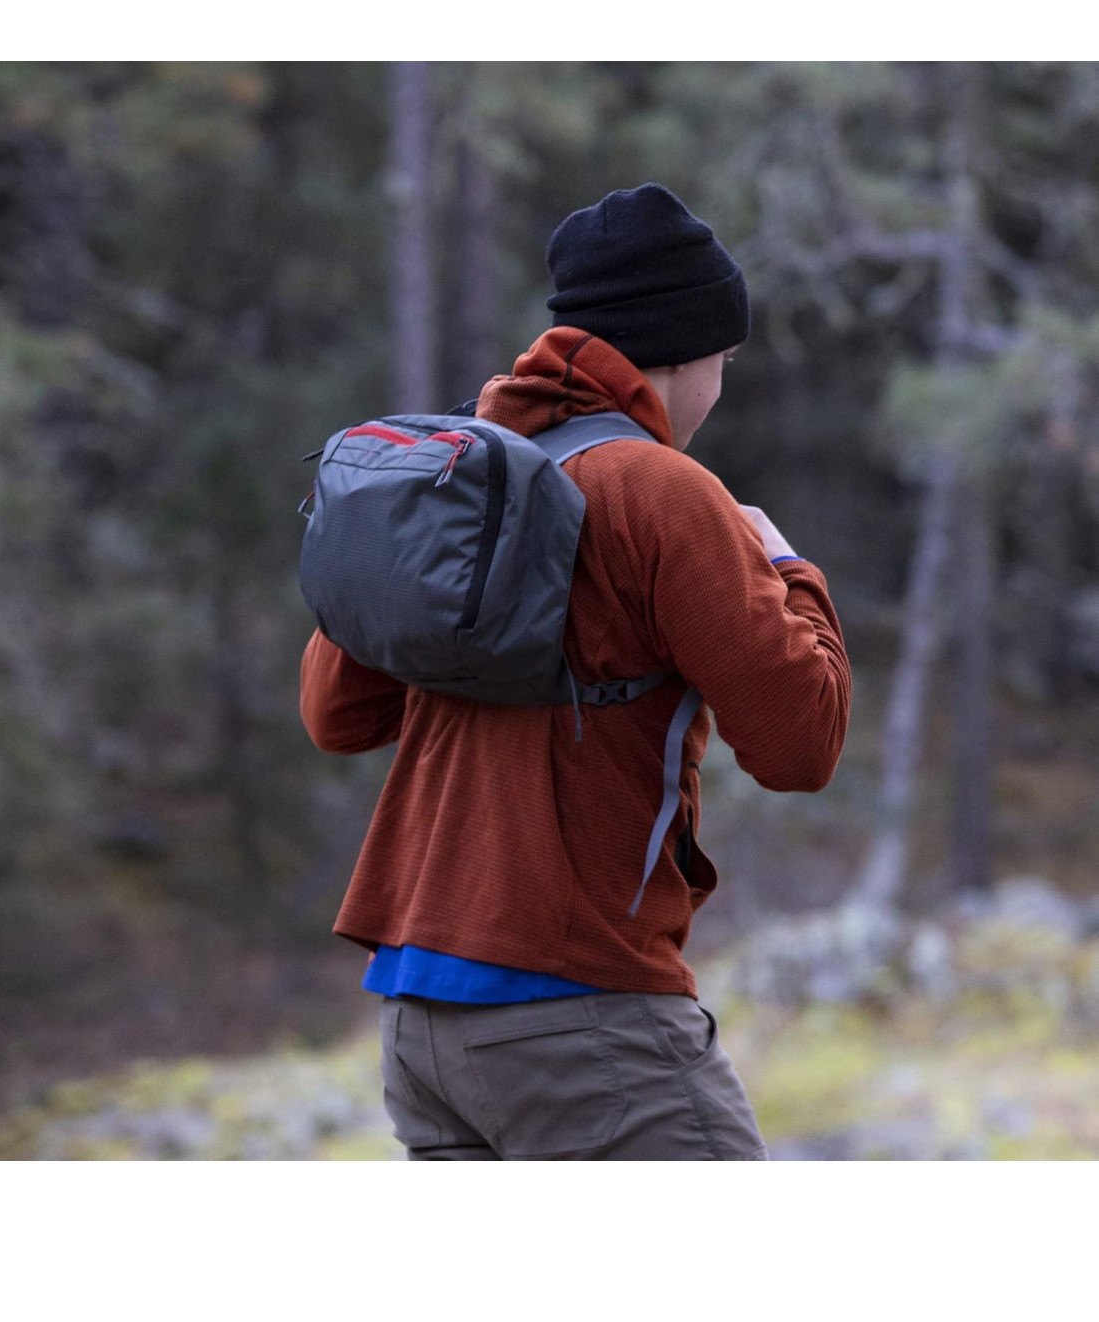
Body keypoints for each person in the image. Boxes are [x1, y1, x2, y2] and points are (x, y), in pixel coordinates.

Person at [299, 181, 852, 1160]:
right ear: (681, 351)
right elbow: (800, 743)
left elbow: (334, 716)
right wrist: (789, 570)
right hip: (578, 1010)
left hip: (420, 1019)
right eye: (723, 361)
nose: (719, 388)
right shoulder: (661, 491)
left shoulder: (453, 474)